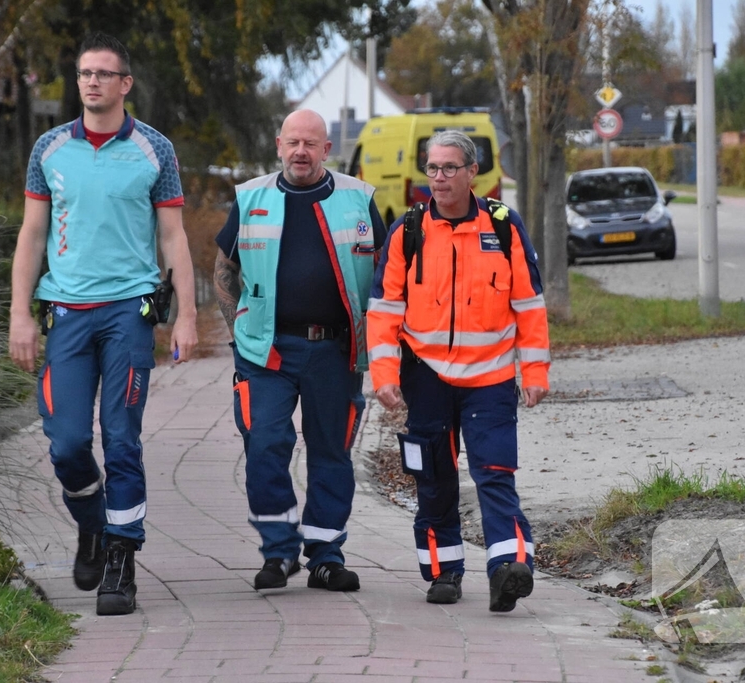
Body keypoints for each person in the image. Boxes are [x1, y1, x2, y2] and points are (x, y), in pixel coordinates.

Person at [8, 32, 198, 616]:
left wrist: (187, 316)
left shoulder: (154, 151)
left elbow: (172, 235)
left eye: (102, 74)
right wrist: (19, 314)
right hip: (65, 313)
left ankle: (121, 558)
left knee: (121, 439)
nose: (91, 82)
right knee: (66, 444)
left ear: (125, 84)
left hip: (128, 314)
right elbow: (32, 235)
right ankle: (93, 525)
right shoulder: (49, 149)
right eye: (84, 73)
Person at [366, 130, 550, 612]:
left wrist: (534, 372)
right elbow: (384, 310)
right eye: (432, 168)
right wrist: (384, 375)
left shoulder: (504, 226)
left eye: (450, 168)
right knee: (434, 477)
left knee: (494, 473)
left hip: (489, 378)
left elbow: (529, 305)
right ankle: (443, 571)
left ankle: (508, 568)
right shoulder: (407, 231)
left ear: (473, 173)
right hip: (425, 376)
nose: (440, 178)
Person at [213, 109, 386, 592]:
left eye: (311, 144)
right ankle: (279, 551)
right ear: (278, 145)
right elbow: (223, 270)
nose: (301, 152)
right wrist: (239, 329)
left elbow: (387, 274)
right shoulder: (251, 198)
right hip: (266, 352)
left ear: (326, 150)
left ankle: (326, 556)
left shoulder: (358, 198)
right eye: (293, 143)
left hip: (335, 350)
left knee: (332, 452)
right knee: (265, 445)